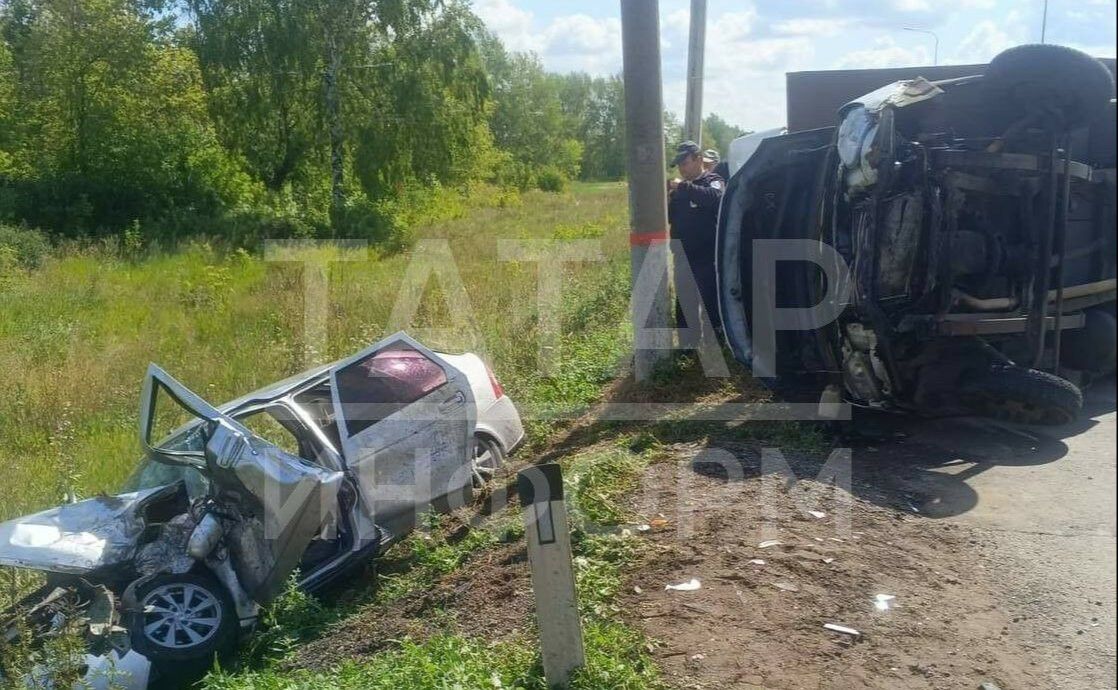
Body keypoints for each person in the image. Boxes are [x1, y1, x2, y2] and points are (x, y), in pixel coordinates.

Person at [667, 140, 725, 344]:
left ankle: (715, 343)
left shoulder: (712, 180)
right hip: (683, 254)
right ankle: (687, 345)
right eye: (679, 165)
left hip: (707, 256)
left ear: (699, 159)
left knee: (710, 300)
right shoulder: (679, 191)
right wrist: (667, 199)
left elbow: (716, 198)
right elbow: (670, 217)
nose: (682, 169)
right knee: (684, 300)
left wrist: (683, 187)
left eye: (685, 163)